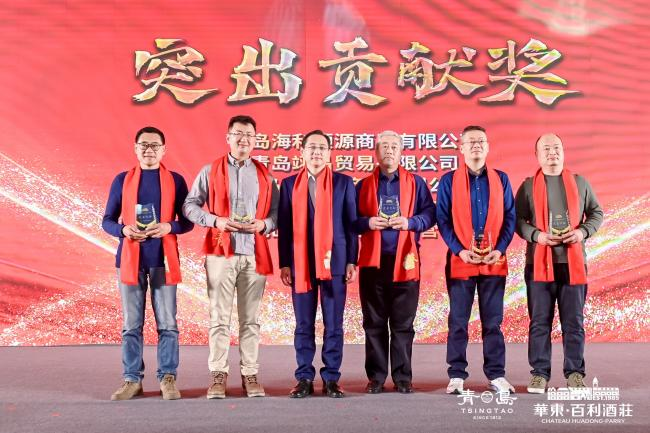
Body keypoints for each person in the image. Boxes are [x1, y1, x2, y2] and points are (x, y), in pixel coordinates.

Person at [182, 115, 279, 399]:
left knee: (250, 320)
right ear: (228, 137)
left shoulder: (265, 175)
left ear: (255, 140)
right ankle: (218, 375)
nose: (243, 139)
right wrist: (215, 221)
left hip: (254, 254)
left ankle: (250, 374)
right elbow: (189, 205)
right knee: (219, 318)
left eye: (249, 134)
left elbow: (277, 213)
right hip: (220, 252)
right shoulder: (210, 171)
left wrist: (264, 224)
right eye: (238, 133)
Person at [102, 126, 193, 401]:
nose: (149, 149)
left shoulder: (175, 181)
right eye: (144, 144)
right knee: (131, 325)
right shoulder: (122, 180)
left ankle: (168, 377)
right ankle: (132, 379)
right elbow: (107, 221)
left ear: (164, 150)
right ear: (135, 148)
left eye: (155, 145)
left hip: (163, 261)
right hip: (130, 261)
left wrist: (168, 227)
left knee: (168, 324)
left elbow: (187, 222)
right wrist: (123, 230)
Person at [515, 133, 603, 393]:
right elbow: (517, 220)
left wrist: (582, 232)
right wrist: (537, 236)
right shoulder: (528, 186)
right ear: (537, 155)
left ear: (563, 152)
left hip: (572, 264)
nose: (552, 152)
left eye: (556, 148)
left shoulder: (580, 182)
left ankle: (575, 373)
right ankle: (539, 374)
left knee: (574, 322)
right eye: (546, 149)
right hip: (538, 265)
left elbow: (596, 213)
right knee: (539, 322)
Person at [278, 130, 358, 398]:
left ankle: (331, 377)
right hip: (300, 263)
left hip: (335, 262)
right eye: (311, 147)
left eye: (322, 148)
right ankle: (304, 377)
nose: (316, 152)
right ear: (302, 152)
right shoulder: (289, 185)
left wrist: (351, 260)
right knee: (303, 324)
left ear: (329, 153)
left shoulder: (344, 183)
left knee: (333, 323)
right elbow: (285, 228)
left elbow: (351, 225)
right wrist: (285, 262)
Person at [436, 125, 516, 395]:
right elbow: (442, 219)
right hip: (461, 260)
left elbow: (510, 217)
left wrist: (500, 249)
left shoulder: (501, 179)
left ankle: (496, 374)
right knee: (458, 321)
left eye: (481, 141)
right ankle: (456, 374)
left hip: (494, 260)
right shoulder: (449, 180)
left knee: (493, 322)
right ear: (461, 148)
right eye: (470, 142)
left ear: (488, 146)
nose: (476, 145)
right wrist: (459, 250)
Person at [355, 130, 436, 394]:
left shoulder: (416, 183)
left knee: (403, 324)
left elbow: (430, 214)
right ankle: (376, 377)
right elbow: (350, 220)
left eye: (393, 146)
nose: (389, 150)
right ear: (376, 152)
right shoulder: (363, 186)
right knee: (373, 323)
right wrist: (367, 222)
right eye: (384, 146)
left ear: (401, 151)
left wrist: (410, 222)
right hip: (373, 263)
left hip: (406, 261)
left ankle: (403, 377)